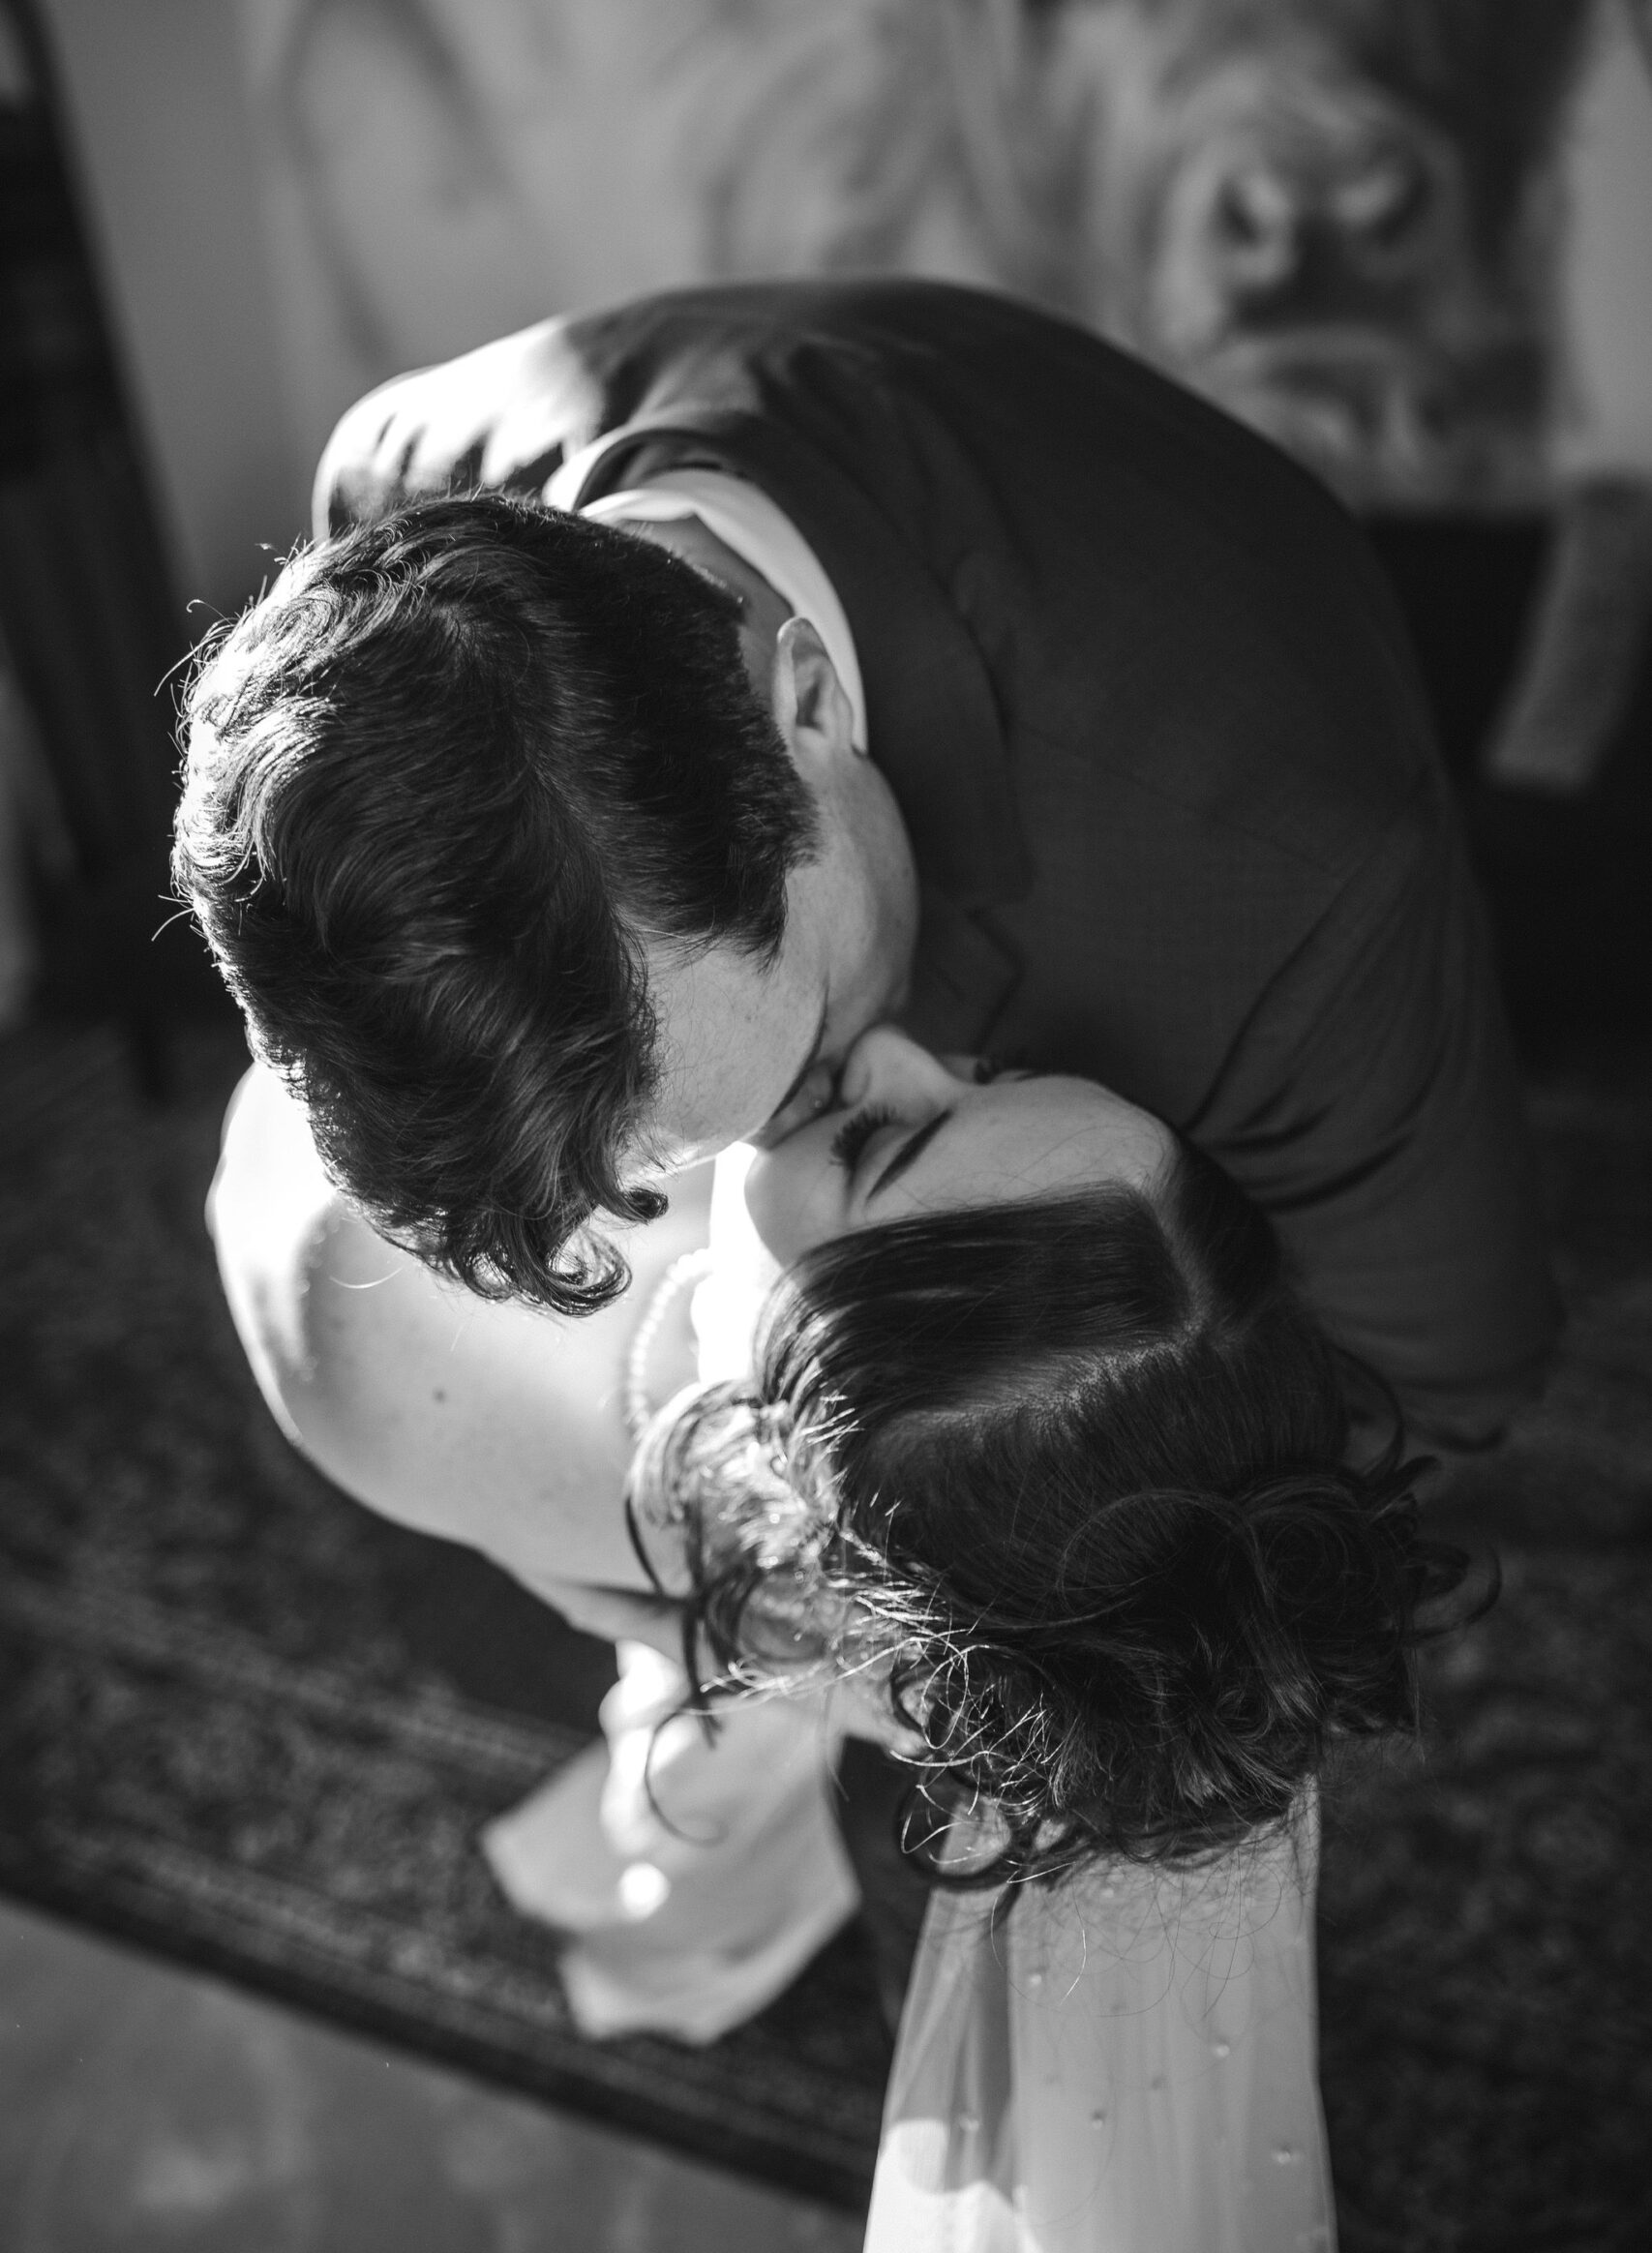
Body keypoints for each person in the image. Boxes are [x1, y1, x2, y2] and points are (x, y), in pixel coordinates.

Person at [176, 276, 1556, 2025]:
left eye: (817, 1055)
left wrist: (998, 1572)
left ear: (807, 703)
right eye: (640, 1175)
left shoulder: (1288, 880)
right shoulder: (398, 503)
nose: (726, 1180)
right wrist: (726, 1576)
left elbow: (1439, 1381)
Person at [598, 1020, 1467, 2253]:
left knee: (970, 2019)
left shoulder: (584, 1432)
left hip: (945, 1806)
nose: (894, 1046)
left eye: (881, 1142)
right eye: (990, 1076)